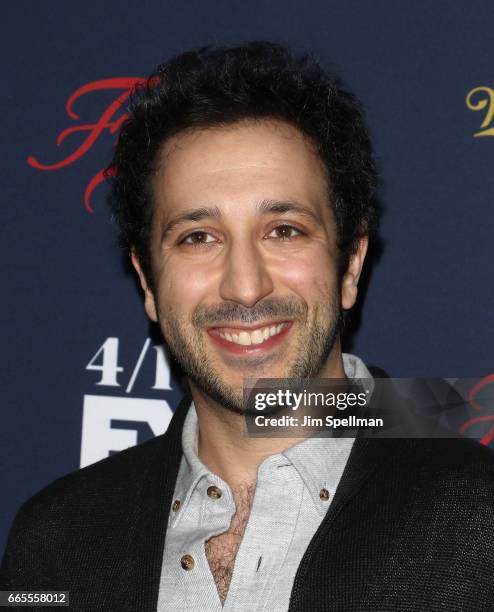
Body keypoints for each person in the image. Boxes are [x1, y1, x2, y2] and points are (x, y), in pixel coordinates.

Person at [1, 42, 493, 612]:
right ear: (147, 280)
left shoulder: (479, 519)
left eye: (283, 230)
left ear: (350, 263)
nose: (244, 285)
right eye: (198, 237)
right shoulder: (57, 543)